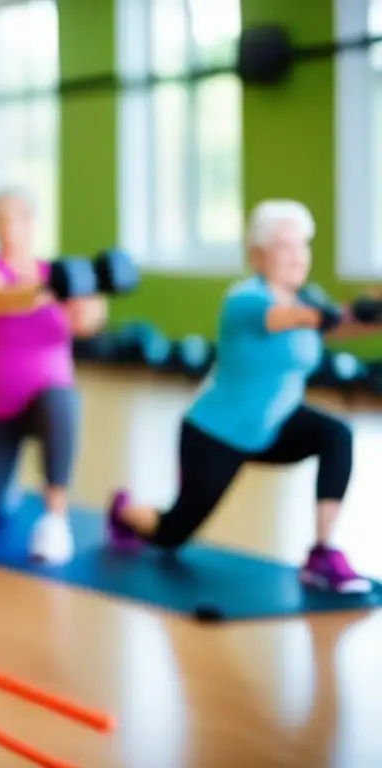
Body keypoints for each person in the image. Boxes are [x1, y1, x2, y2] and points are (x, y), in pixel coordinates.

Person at [107, 199, 373, 594]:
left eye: (303, 244)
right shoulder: (245, 300)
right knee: (171, 534)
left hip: (275, 425)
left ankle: (322, 551)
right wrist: (336, 313)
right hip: (216, 433)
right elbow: (286, 318)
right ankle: (124, 512)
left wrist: (369, 314)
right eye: (285, 245)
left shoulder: (309, 299)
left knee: (336, 435)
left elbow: (338, 324)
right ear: (258, 254)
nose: (297, 255)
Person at [0, 189, 108, 564]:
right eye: (2, 218)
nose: (11, 226)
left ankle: (55, 518)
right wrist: (45, 290)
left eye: (19, 217)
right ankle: (5, 480)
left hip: (44, 399)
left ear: (32, 222)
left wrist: (89, 293)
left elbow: (90, 321)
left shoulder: (59, 277)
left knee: (63, 401)